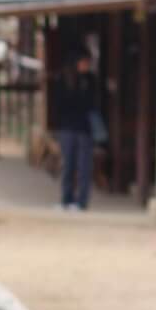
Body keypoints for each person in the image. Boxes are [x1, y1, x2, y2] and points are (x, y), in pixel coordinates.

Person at [56, 47, 99, 212]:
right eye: (84, 62)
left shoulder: (90, 80)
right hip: (67, 127)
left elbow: (91, 103)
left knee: (84, 167)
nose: (86, 65)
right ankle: (66, 199)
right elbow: (61, 104)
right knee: (68, 165)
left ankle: (82, 201)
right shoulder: (64, 79)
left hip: (85, 129)